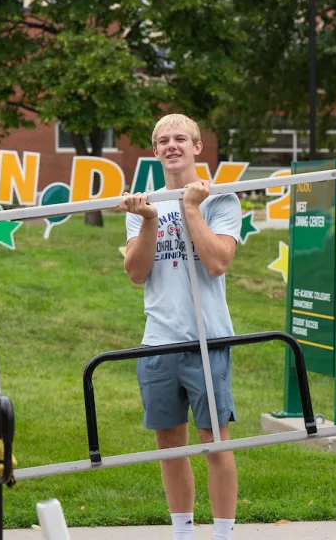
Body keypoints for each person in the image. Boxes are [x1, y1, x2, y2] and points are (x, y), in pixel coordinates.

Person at [119, 114, 241, 540]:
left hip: (208, 339)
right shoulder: (142, 204)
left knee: (215, 443)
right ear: (154, 152)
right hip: (157, 342)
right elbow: (136, 273)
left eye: (180, 139)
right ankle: (183, 534)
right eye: (163, 141)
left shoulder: (220, 199)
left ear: (197, 147)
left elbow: (217, 261)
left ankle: (223, 534)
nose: (172, 146)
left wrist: (190, 207)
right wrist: (151, 220)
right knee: (170, 447)